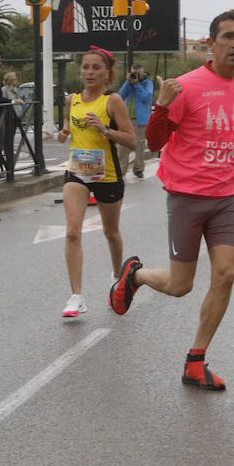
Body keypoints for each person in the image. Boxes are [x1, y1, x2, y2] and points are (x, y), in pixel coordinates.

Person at [108, 10, 234, 390]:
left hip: (226, 197)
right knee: (180, 285)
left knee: (226, 274)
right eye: (229, 37)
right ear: (211, 43)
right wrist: (162, 105)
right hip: (186, 196)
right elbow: (153, 143)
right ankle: (134, 275)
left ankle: (196, 361)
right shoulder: (186, 86)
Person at [55, 46, 135, 319]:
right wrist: (65, 131)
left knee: (111, 233)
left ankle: (117, 278)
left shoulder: (113, 101)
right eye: (86, 67)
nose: (89, 72)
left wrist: (105, 130)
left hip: (107, 175)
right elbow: (69, 120)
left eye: (96, 68)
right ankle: (76, 296)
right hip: (77, 172)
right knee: (72, 232)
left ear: (108, 73)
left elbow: (131, 140)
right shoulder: (72, 99)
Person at [116, 61, 155, 178]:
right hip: (126, 117)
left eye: (138, 74)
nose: (136, 76)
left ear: (142, 73)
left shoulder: (148, 83)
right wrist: (128, 83)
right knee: (123, 145)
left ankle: (138, 169)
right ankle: (121, 170)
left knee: (139, 144)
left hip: (141, 119)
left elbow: (146, 98)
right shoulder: (129, 83)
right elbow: (120, 95)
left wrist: (137, 84)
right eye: (134, 74)